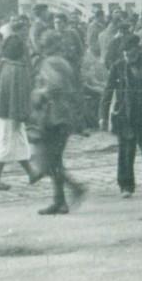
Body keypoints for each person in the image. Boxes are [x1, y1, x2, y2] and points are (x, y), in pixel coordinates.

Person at [102, 34, 142, 198]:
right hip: (125, 116)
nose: (127, 56)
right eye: (124, 53)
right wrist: (102, 115)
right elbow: (108, 91)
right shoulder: (118, 67)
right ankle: (126, 187)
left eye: (130, 52)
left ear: (137, 49)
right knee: (125, 153)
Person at [28, 32, 87, 214]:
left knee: (48, 161)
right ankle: (60, 201)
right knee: (54, 160)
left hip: (53, 116)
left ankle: (74, 189)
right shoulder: (62, 62)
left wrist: (39, 94)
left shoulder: (51, 63)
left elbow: (55, 85)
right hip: (62, 114)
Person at [0, 34, 38, 191]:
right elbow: (24, 94)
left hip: (1, 110)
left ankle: (31, 173)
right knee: (6, 143)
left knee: (18, 141)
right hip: (12, 112)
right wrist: (26, 113)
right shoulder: (20, 69)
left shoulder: (1, 64)